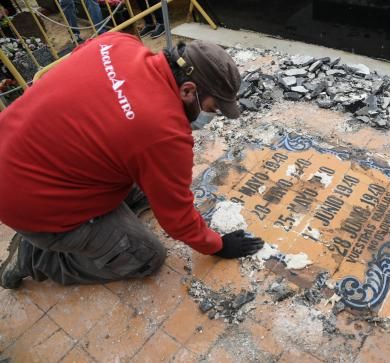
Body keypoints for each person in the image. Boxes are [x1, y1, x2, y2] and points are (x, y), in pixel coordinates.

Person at [0, 32, 263, 289]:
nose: (208, 117)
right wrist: (217, 245)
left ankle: (94, 228)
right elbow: (177, 219)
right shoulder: (164, 134)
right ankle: (35, 257)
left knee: (149, 187)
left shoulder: (118, 42)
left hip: (16, 148)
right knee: (147, 257)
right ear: (188, 90)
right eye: (211, 109)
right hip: (29, 203)